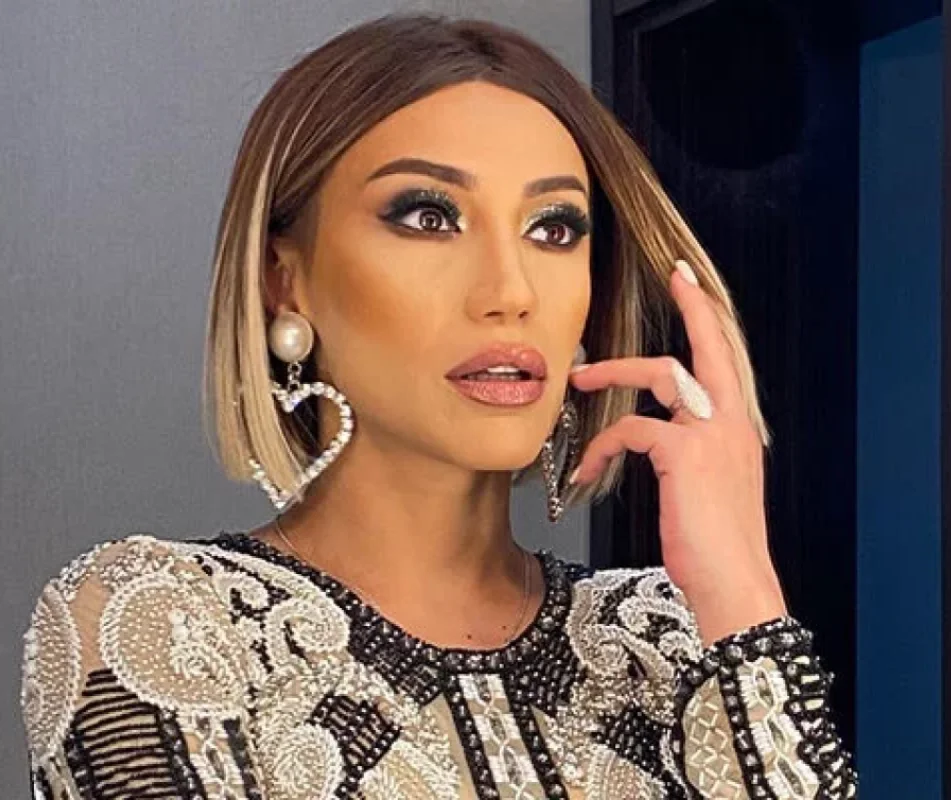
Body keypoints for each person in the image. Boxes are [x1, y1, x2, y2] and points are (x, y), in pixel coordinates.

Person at [19, 13, 857, 799]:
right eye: (428, 215)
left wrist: (745, 595)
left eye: (554, 228)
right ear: (284, 280)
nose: (510, 291)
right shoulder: (159, 618)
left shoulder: (669, 636)